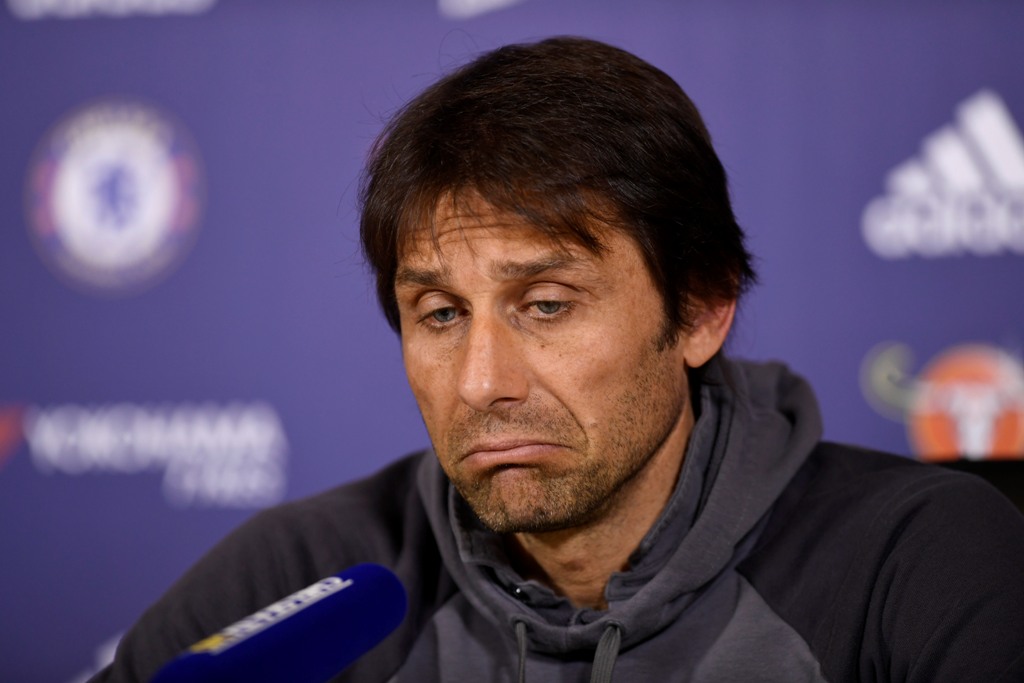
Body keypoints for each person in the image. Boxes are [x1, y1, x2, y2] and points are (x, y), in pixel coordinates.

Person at [92, 37, 1024, 683]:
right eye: (441, 312)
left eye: (545, 305)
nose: (482, 381)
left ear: (700, 310)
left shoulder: (920, 562)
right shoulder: (302, 580)